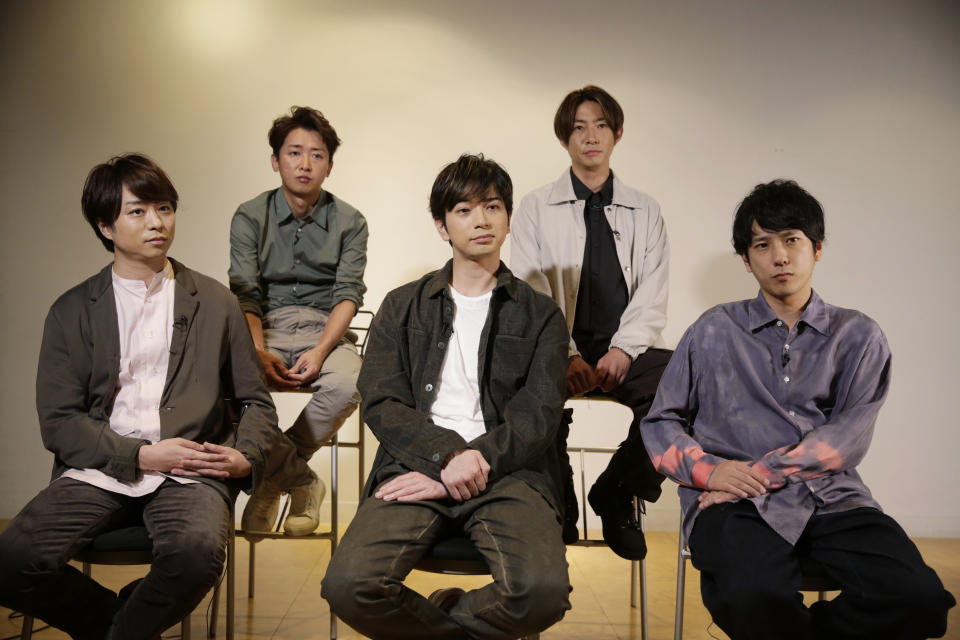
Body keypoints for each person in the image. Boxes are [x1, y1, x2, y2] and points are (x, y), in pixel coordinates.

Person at [0, 153, 306, 639]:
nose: (156, 223)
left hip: (190, 469)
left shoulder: (215, 301)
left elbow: (256, 402)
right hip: (98, 469)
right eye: (137, 212)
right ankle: (122, 626)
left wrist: (244, 458)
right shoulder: (72, 309)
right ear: (106, 226)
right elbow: (59, 421)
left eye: (164, 208)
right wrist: (140, 454)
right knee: (12, 560)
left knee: (196, 555)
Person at [641, 179, 955, 639]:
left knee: (921, 599)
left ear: (817, 249)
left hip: (832, 498)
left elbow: (848, 436)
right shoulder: (713, 331)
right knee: (751, 596)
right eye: (763, 245)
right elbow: (660, 422)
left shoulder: (859, 336)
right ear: (746, 262)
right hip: (733, 505)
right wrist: (712, 472)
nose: (780, 256)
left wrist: (762, 473)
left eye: (792, 240)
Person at [322, 154, 572, 639]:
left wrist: (468, 463)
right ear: (441, 226)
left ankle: (443, 618)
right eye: (463, 210)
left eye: (493, 207)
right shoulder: (401, 306)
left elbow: (538, 416)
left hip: (510, 470)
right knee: (349, 586)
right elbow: (381, 401)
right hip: (416, 465)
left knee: (541, 592)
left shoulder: (541, 315)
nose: (481, 220)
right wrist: (445, 458)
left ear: (507, 216)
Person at [510, 84, 670, 559]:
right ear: (565, 139)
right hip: (557, 352)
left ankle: (618, 490)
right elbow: (529, 291)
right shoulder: (536, 208)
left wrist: (623, 349)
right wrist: (566, 354)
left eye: (601, 125)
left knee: (689, 386)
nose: (591, 136)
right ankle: (556, 496)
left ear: (617, 133)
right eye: (579, 127)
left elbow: (653, 292)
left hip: (627, 352)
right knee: (517, 390)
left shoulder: (647, 209)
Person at [229, 106, 369, 535]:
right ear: (276, 160)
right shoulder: (250, 216)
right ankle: (302, 481)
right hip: (262, 328)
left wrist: (321, 348)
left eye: (317, 154)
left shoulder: (351, 221)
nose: (305, 164)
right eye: (294, 153)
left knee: (351, 382)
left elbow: (349, 293)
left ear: (329, 164)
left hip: (323, 329)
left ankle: (272, 481)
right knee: (220, 387)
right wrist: (256, 350)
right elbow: (245, 292)